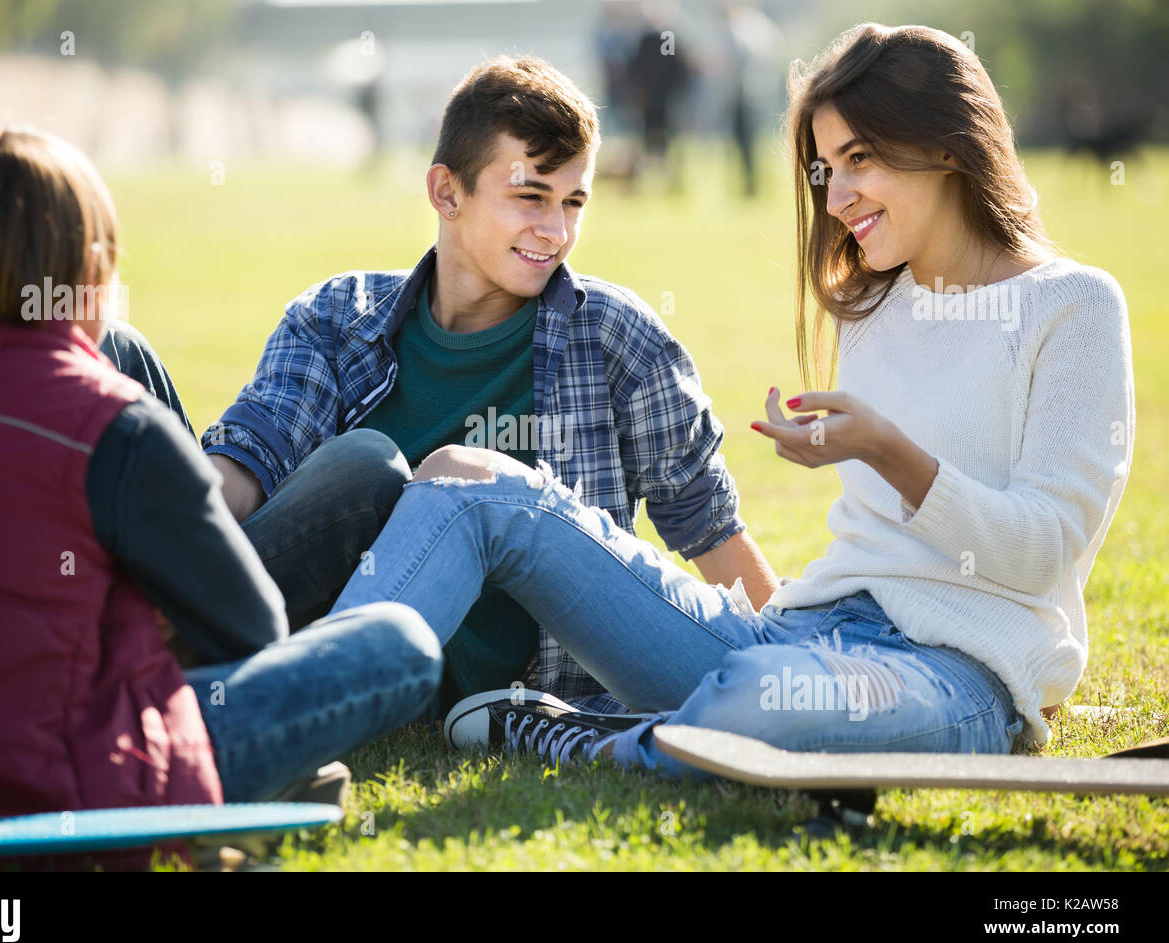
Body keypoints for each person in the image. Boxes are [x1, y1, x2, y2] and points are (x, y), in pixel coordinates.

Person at [328, 23, 1135, 776]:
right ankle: (298, 714)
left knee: (759, 705)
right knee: (467, 481)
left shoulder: (1074, 307)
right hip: (794, 633)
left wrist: (887, 450)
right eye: (826, 169)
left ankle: (581, 733)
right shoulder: (872, 307)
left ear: (946, 147)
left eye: (862, 159)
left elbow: (1043, 549)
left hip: (954, 673)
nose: (838, 195)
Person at [0, 124, 442, 838]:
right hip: (77, 786)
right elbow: (250, 631)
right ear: (88, 268)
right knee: (399, 644)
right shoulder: (114, 424)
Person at [202, 54, 778, 718]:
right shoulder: (337, 317)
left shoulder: (619, 338)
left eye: (573, 202)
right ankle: (160, 642)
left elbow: (707, 524)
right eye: (530, 197)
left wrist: (792, 670)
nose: (555, 231)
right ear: (447, 193)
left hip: (514, 682)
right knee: (362, 466)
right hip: (321, 631)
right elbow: (252, 457)